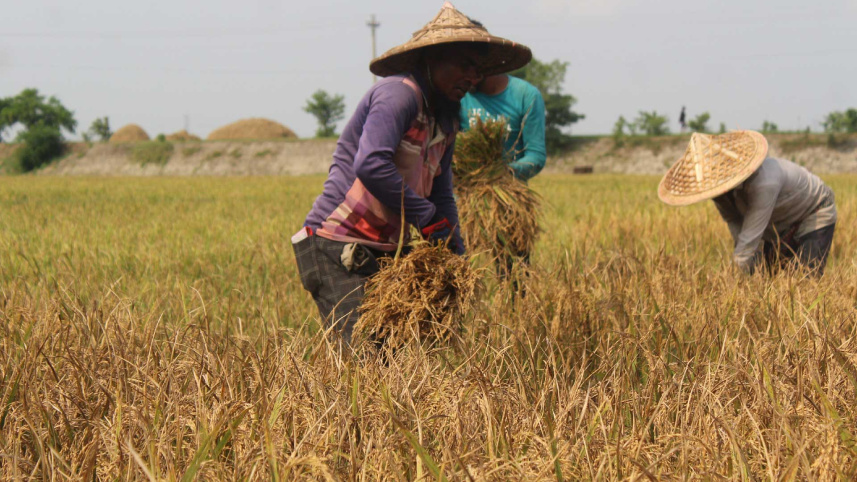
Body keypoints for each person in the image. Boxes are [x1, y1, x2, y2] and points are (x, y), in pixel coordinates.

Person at [292, 2, 532, 347]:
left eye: (477, 70)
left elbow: (442, 194)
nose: (473, 77)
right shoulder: (397, 95)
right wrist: (426, 217)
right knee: (366, 362)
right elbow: (371, 164)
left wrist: (454, 252)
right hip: (338, 244)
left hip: (389, 248)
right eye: (464, 65)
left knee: (398, 362)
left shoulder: (445, 119)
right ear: (433, 59)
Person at [658, 130, 837, 275]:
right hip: (777, 224)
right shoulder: (721, 195)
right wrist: (746, 265)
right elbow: (736, 223)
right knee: (771, 282)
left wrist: (735, 275)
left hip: (814, 212)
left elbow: (749, 238)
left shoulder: (765, 183)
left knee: (805, 282)